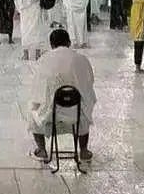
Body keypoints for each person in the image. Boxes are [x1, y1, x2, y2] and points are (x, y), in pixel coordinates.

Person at [27, 28, 96, 162]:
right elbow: (89, 83)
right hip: (77, 112)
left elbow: (37, 89)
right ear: (69, 43)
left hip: (50, 113)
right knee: (86, 101)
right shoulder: (82, 60)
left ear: (51, 45)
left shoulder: (44, 60)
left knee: (32, 107)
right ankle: (84, 151)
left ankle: (41, 150)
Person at [129, 0, 144, 73]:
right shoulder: (141, 4)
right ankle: (138, 67)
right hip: (140, 28)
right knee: (139, 47)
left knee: (137, 47)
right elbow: (143, 17)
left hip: (135, 28)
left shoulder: (134, 4)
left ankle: (137, 66)